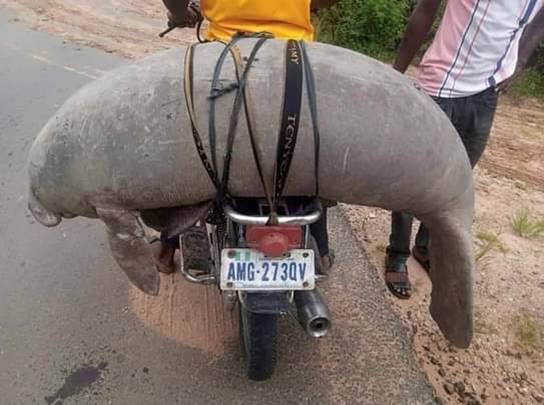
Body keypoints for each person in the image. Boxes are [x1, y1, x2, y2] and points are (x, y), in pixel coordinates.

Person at [153, 0, 337, 273]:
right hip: (295, 55)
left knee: (190, 141)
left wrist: (181, 13)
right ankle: (320, 247)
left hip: (222, 55)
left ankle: (168, 245)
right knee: (310, 145)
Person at [385, 0, 544, 299]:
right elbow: (426, 8)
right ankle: (396, 252)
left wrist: (521, 57)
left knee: (455, 179)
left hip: (487, 92)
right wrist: (396, 74)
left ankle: (424, 246)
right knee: (414, 177)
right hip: (440, 84)